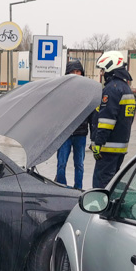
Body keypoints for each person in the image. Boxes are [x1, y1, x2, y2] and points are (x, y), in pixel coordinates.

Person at [90, 51, 136, 188]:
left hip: (107, 148)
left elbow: (107, 120)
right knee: (113, 184)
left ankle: (100, 209)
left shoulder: (111, 89)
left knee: (101, 186)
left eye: (103, 69)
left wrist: (98, 142)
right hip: (120, 146)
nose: (102, 73)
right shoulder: (126, 88)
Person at [55, 60, 90, 189]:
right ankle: (60, 188)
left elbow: (91, 114)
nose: (75, 74)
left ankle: (78, 189)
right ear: (67, 73)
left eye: (78, 71)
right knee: (61, 163)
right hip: (64, 134)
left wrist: (94, 138)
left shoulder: (87, 90)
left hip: (80, 134)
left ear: (82, 73)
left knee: (79, 164)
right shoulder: (62, 90)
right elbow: (56, 113)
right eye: (73, 71)